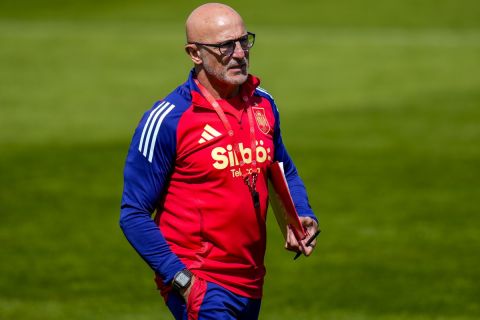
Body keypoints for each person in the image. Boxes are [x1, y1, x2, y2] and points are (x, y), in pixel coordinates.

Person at [120, 3, 318, 319]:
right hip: (201, 281)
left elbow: (283, 168)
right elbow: (133, 213)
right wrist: (182, 279)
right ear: (194, 53)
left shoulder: (262, 103)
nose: (240, 53)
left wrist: (301, 215)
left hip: (251, 278)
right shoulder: (168, 120)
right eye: (226, 45)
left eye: (244, 41)